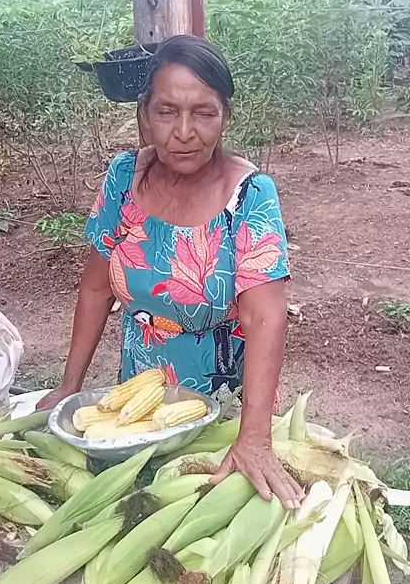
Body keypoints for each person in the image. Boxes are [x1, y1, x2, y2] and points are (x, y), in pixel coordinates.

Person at [38, 35, 303, 510]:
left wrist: (254, 437)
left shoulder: (250, 196)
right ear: (144, 115)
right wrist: (69, 385)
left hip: (222, 400)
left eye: (204, 113)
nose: (184, 131)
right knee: (131, 503)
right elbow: (96, 289)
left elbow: (265, 317)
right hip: (137, 391)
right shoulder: (124, 179)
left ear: (225, 117)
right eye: (166, 111)